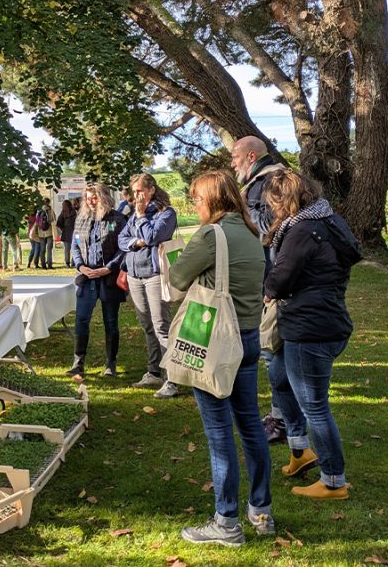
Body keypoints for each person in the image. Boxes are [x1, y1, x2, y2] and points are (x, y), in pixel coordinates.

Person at [167, 171, 273, 546]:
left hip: (214, 340)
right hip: (247, 337)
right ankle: (261, 510)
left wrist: (175, 257)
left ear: (212, 200)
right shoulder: (251, 232)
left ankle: (226, 521)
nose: (194, 206)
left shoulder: (212, 235)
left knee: (218, 431)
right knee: (250, 426)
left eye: (196, 199)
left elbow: (177, 280)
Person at [263, 170, 359, 500]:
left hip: (310, 328)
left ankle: (334, 480)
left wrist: (268, 288)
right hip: (325, 318)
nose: (272, 210)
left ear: (282, 200)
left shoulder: (302, 229)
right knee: (278, 376)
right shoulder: (329, 219)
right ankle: (300, 451)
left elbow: (279, 280)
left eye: (272, 203)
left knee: (315, 406)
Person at [232, 135, 289, 444]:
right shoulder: (265, 181)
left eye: (235, 158)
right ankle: (280, 413)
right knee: (273, 349)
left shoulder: (265, 184)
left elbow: (269, 231)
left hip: (272, 280)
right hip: (273, 277)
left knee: (272, 349)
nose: (232, 163)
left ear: (251, 157)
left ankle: (281, 420)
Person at [117, 173, 179, 398]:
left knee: (161, 326)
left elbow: (154, 236)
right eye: (134, 192)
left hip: (154, 275)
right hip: (135, 275)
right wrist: (137, 241)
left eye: (140, 191)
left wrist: (142, 217)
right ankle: (154, 371)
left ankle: (171, 379)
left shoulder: (166, 213)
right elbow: (122, 240)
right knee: (147, 326)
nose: (136, 196)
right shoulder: (133, 215)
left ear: (151, 189)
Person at [68, 183, 127, 379]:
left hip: (108, 278)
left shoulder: (117, 220)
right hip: (87, 278)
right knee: (81, 320)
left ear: (104, 197)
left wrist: (108, 268)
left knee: (110, 322)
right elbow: (75, 246)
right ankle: (78, 364)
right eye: (87, 197)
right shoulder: (81, 219)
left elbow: (123, 249)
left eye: (94, 197)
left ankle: (111, 364)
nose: (90, 201)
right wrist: (81, 267)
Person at [56, 199, 77, 268]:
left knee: (67, 249)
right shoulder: (74, 212)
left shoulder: (63, 213)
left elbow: (59, 223)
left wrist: (63, 228)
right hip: (76, 234)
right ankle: (74, 262)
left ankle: (67, 263)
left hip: (66, 233)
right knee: (77, 247)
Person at [36, 197, 56, 269]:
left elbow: (37, 221)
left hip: (41, 232)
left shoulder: (39, 211)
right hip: (49, 232)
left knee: (42, 250)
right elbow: (54, 219)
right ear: (49, 202)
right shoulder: (50, 210)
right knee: (49, 249)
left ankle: (43, 265)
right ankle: (50, 265)